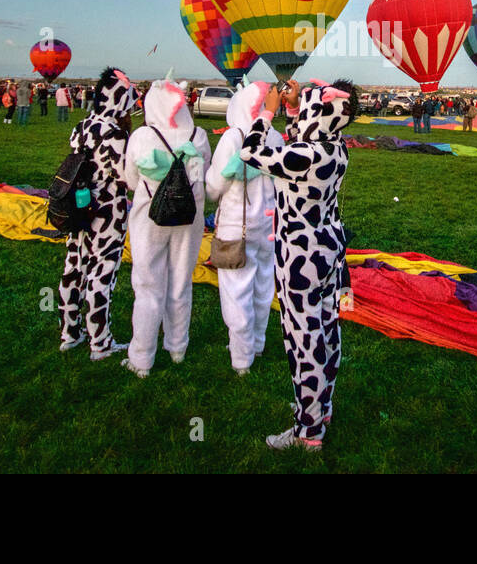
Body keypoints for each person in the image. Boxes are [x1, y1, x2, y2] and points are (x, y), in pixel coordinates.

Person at [238, 79, 356, 450]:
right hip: (330, 251)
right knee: (326, 332)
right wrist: (293, 109)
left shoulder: (306, 155)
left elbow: (250, 152)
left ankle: (308, 432)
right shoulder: (334, 148)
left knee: (303, 342)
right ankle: (321, 406)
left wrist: (269, 111)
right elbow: (301, 137)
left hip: (299, 258)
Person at [118, 76, 211, 377]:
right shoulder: (198, 135)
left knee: (148, 286)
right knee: (181, 280)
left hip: (150, 216)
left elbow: (130, 180)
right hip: (189, 217)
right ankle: (177, 347)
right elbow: (203, 180)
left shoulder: (143, 136)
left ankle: (142, 358)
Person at [58, 67, 138, 361]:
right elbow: (125, 176)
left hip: (78, 207)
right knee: (101, 273)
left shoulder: (80, 127)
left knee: (74, 268)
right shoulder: (114, 134)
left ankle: (70, 333)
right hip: (106, 212)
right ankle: (100, 343)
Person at [206, 80, 279, 376]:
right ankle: (257, 343)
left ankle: (241, 357)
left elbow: (214, 188)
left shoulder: (233, 137)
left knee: (236, 290)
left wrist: (224, 174)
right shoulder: (274, 135)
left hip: (238, 224)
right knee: (263, 284)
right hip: (269, 222)